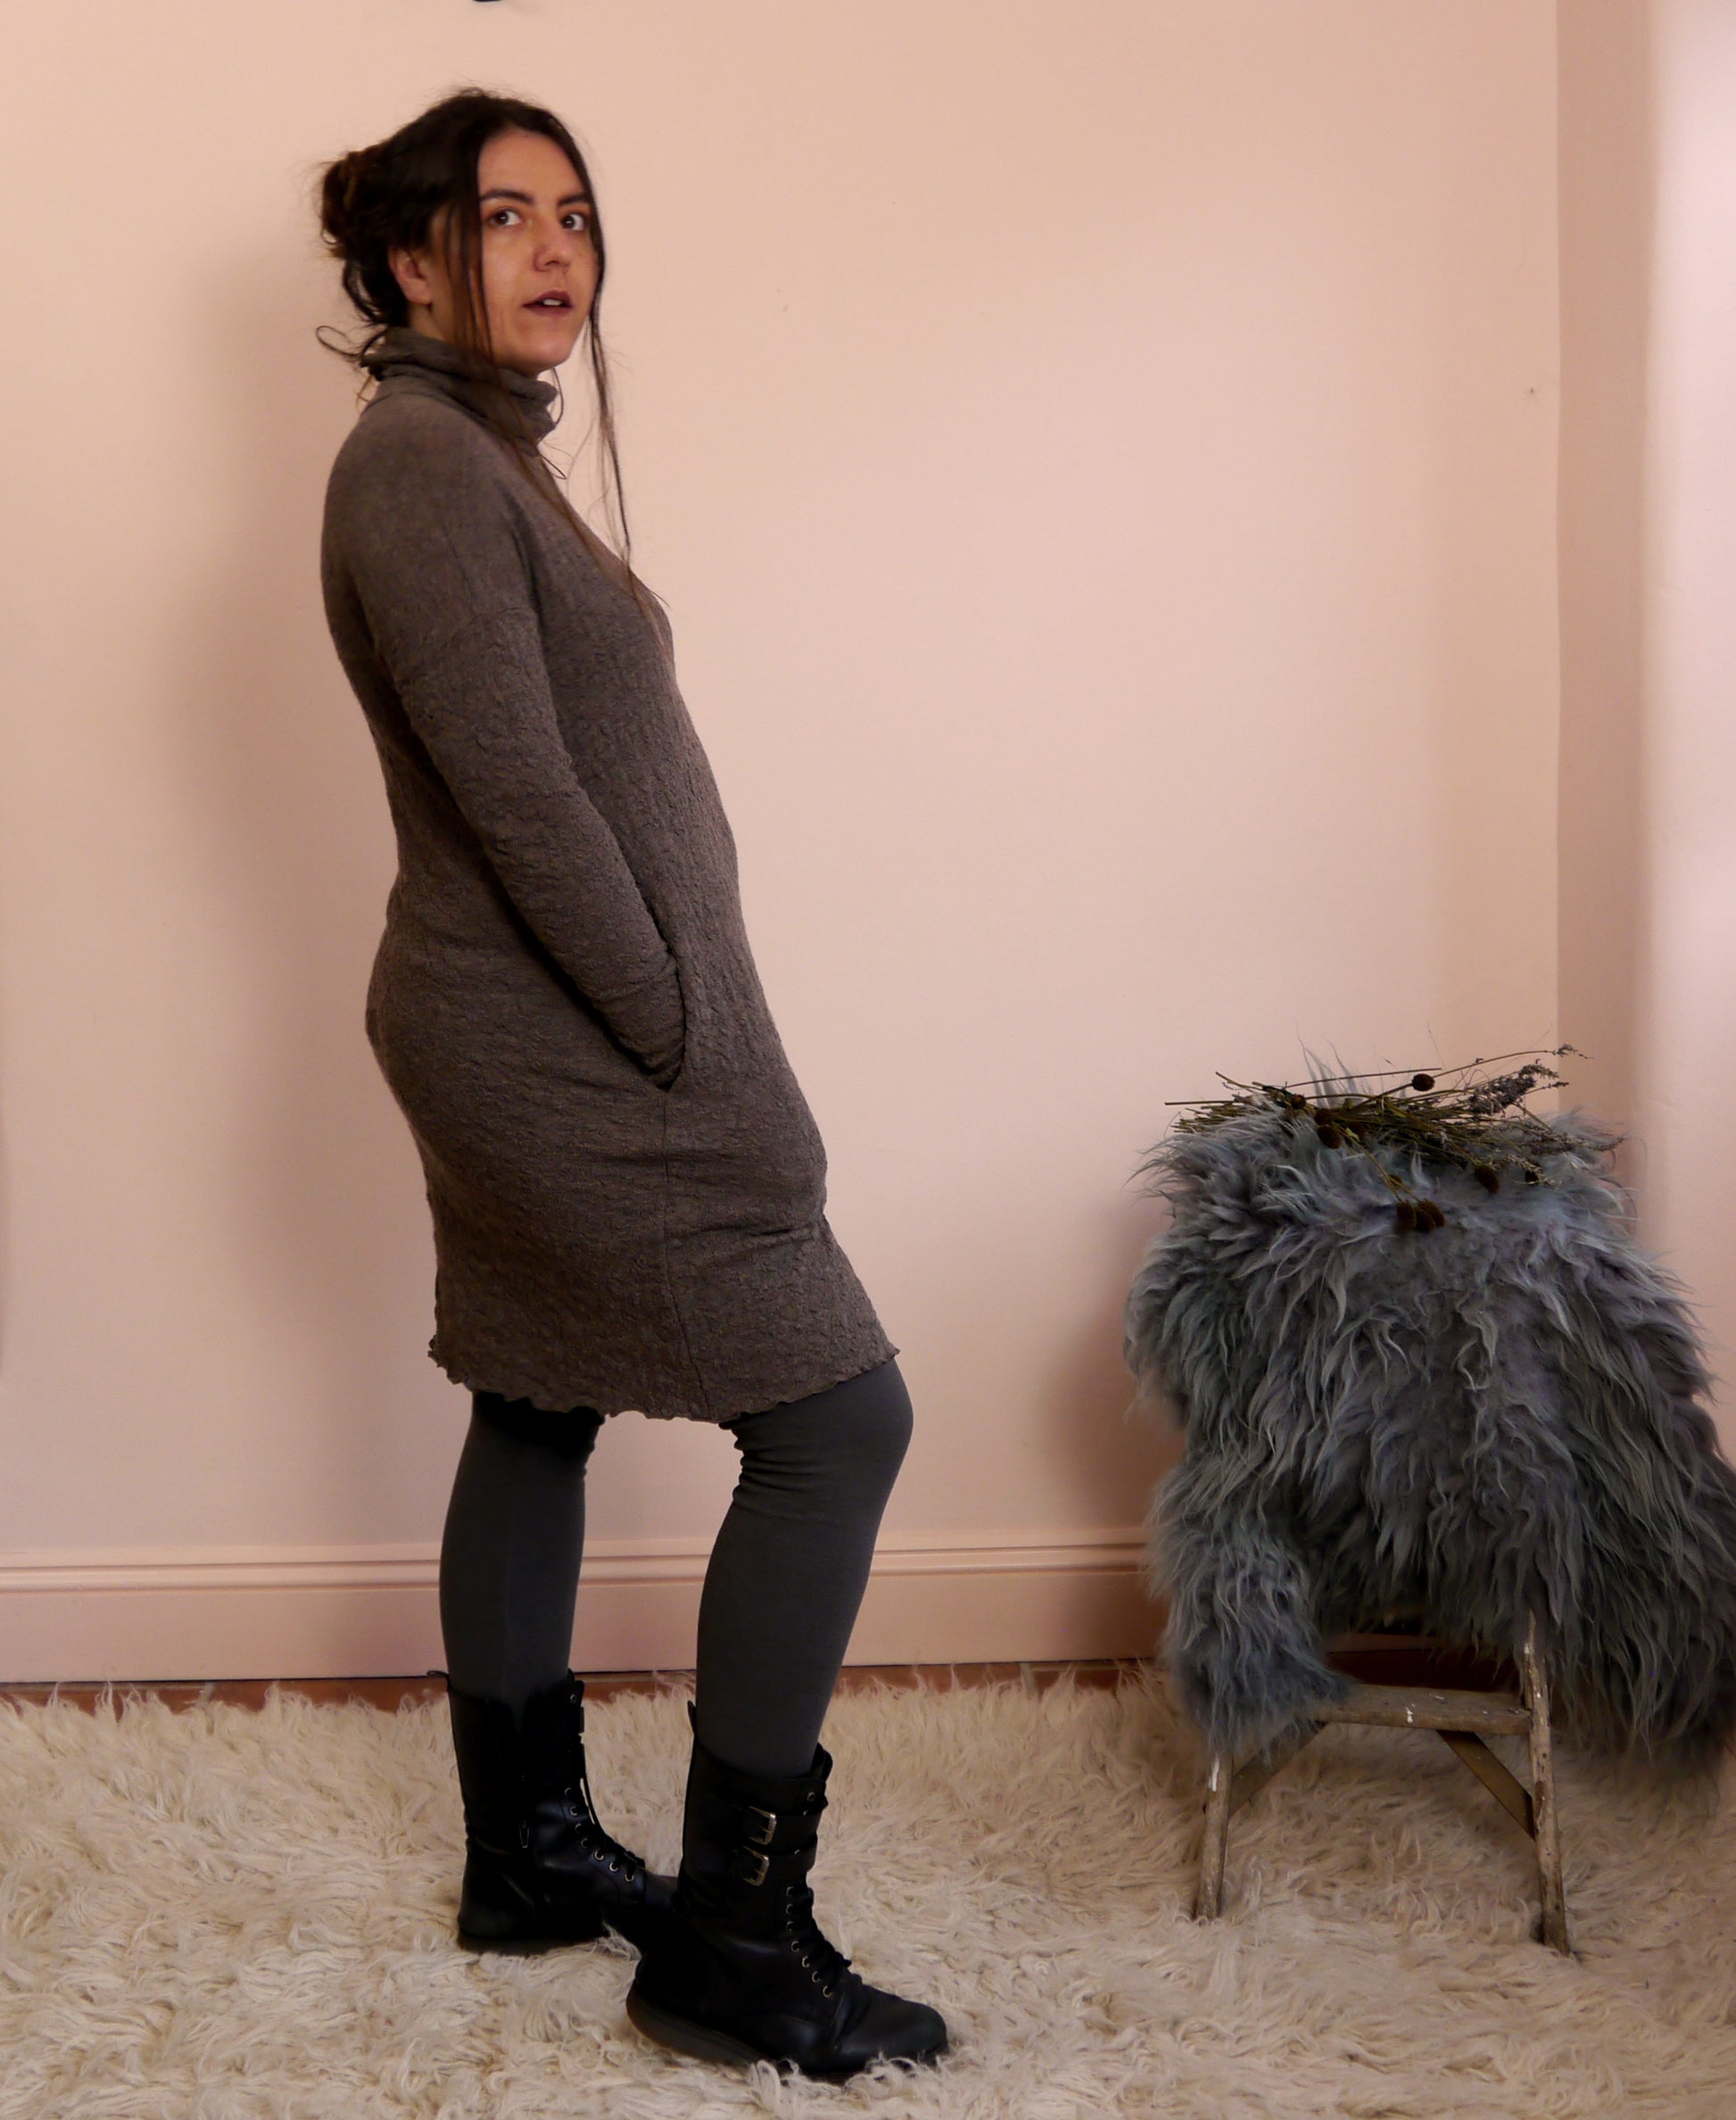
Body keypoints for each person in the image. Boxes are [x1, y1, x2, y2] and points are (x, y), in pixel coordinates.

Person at [316, 90, 947, 2081]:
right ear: (411, 261)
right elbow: (521, 797)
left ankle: (529, 1858)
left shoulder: (473, 456)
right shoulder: (420, 467)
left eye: (574, 214)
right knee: (843, 1420)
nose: (553, 250)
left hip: (526, 1023)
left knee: (534, 1384)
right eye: (501, 218)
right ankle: (735, 1947)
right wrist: (685, 1037)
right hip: (560, 1039)